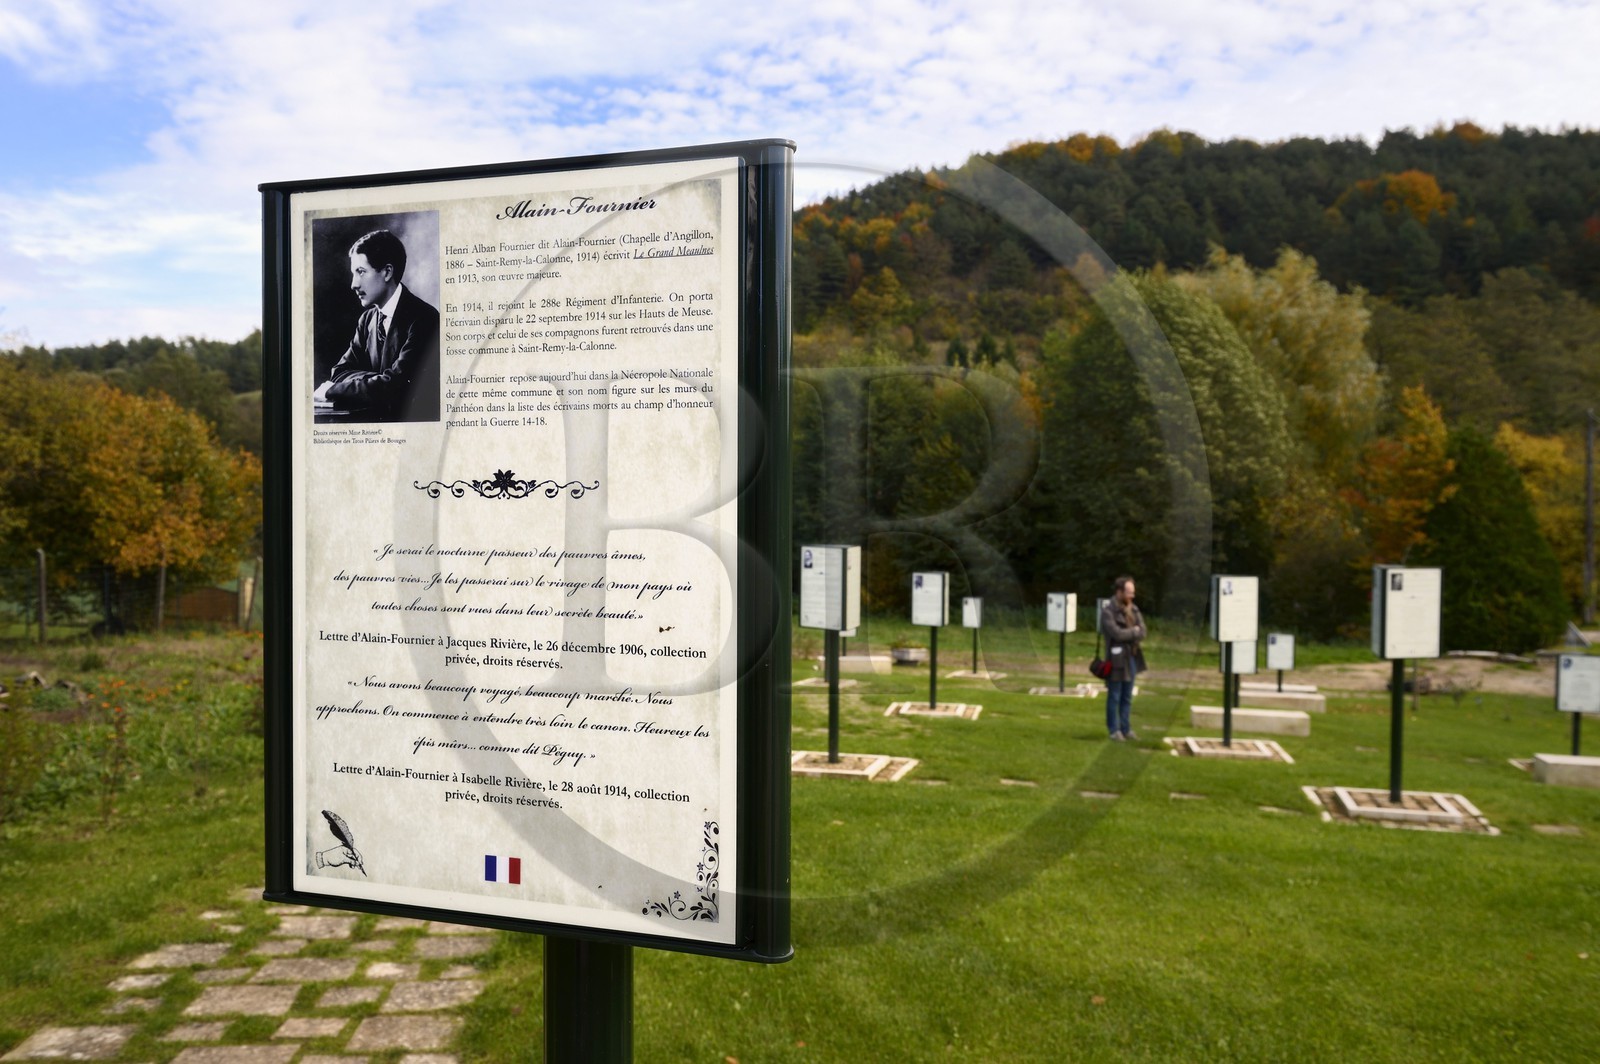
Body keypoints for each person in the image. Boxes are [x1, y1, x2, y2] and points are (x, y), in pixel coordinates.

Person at [315, 229, 439, 422]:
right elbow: (339, 372)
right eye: (353, 273)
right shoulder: (367, 320)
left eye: (361, 272)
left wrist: (333, 390)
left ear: (387, 272)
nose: (353, 284)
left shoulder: (424, 318)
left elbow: (397, 387)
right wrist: (380, 380)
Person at [1100, 575, 1147, 740]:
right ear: (1119, 592)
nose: (1132, 596)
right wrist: (1133, 632)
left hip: (1131, 659)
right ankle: (1114, 730)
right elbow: (1116, 634)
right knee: (1114, 695)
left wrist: (1134, 632)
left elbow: (1143, 631)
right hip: (1116, 661)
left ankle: (1126, 729)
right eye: (1129, 592)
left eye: (1133, 593)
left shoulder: (1134, 609)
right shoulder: (1108, 612)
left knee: (1127, 696)